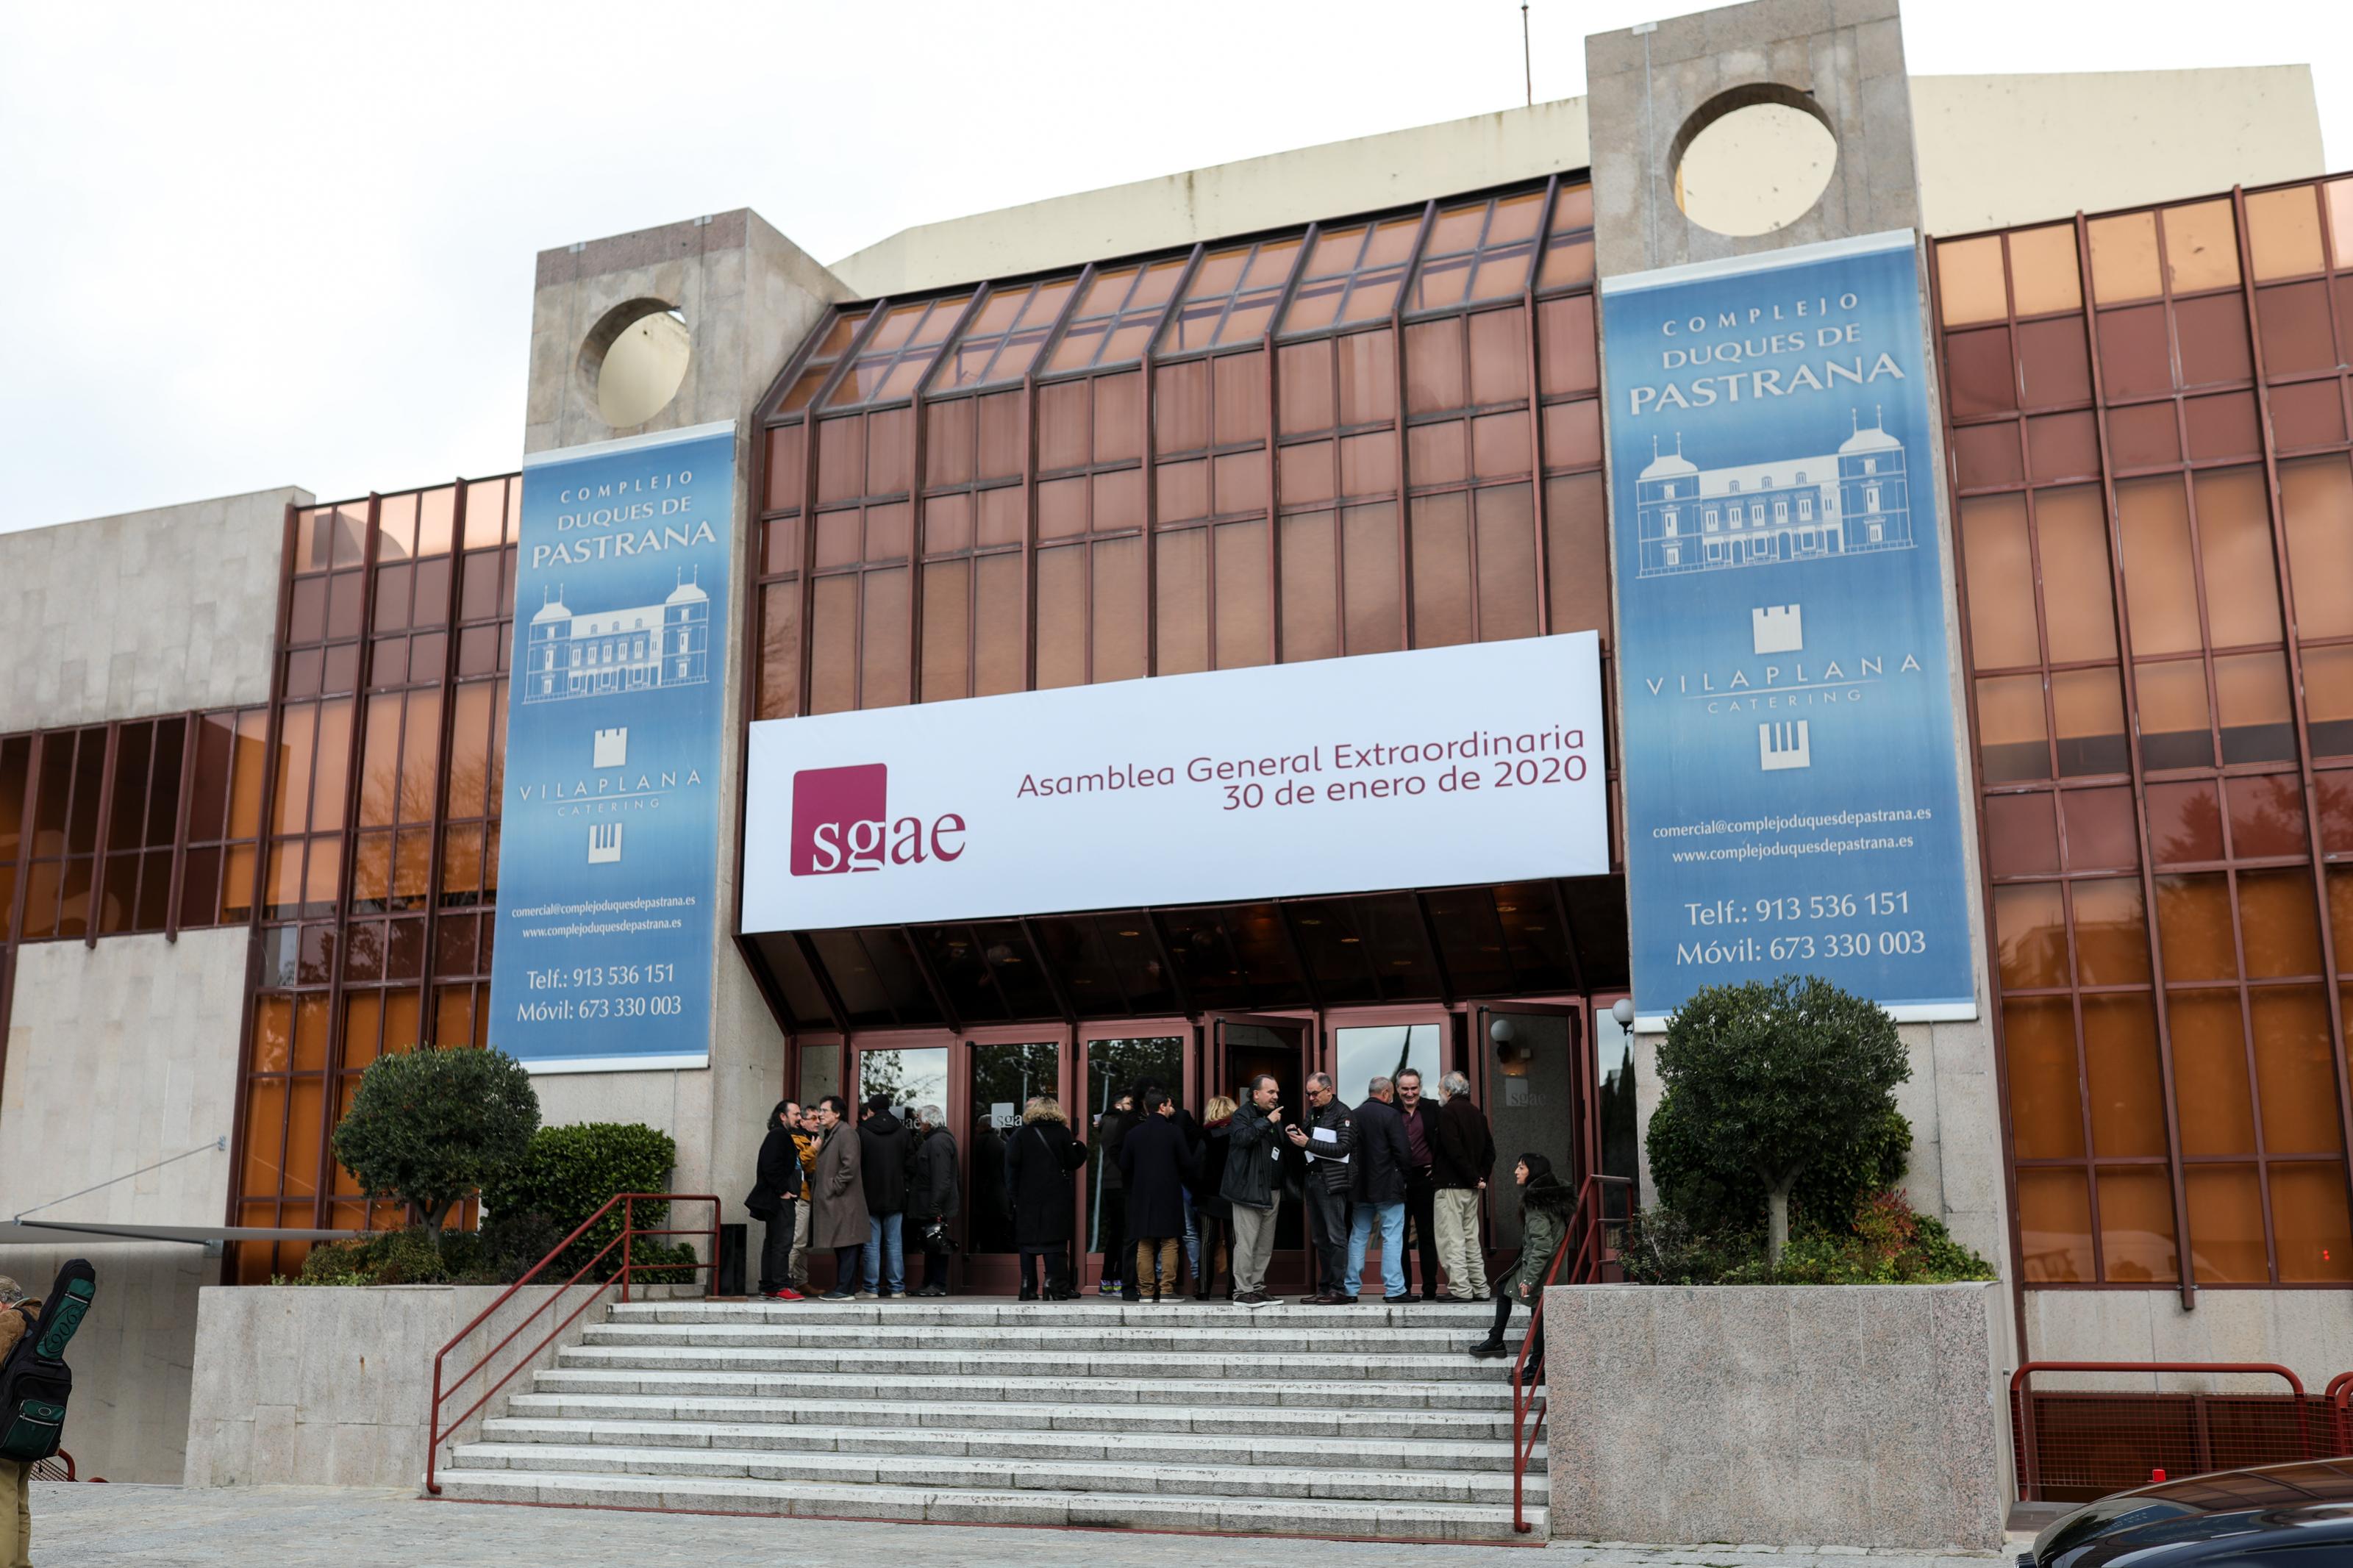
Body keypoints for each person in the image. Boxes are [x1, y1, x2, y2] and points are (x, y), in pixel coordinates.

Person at [1468, 1153, 1574, 1370]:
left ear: (1533, 1172)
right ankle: (1498, 1341)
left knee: (1537, 1311)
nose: (1516, 1171)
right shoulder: (1549, 1198)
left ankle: (1535, 1365)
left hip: (1544, 1267)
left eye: (1521, 1168)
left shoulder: (1536, 1204)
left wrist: (1529, 1279)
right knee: (1506, 1287)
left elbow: (1542, 1246)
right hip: (1550, 1264)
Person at [1007, 1095, 1088, 1300]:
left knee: (1027, 1243)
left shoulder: (1020, 1135)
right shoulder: (1062, 1133)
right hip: (1056, 1196)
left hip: (1027, 1196)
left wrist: (1015, 1197)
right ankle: (1053, 1283)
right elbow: (1072, 1162)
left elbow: (1011, 1168)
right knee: (1055, 1242)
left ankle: (1027, 1286)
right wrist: (1081, 1148)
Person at [1284, 1072, 1355, 1305]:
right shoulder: (1313, 1113)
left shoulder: (1342, 1112)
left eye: (1315, 1093)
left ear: (1329, 1090)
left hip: (1331, 1181)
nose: (1311, 1097)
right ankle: (1324, 1289)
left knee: (1336, 1236)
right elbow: (1307, 1143)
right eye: (1308, 1093)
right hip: (1312, 1179)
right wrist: (1297, 1135)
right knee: (1320, 1238)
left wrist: (1308, 1142)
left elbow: (1343, 1148)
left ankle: (1338, 1289)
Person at [1118, 1089, 1195, 1303]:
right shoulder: (1174, 1132)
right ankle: (1167, 1290)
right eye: (1170, 1105)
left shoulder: (1134, 1134)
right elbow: (1187, 1163)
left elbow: (1124, 1164)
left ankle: (1146, 1292)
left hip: (1141, 1193)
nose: (1172, 1109)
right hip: (1168, 1192)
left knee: (1145, 1243)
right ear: (1162, 1107)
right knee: (1169, 1242)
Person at [1344, 1075, 1413, 1304]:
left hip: (1360, 1187)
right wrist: (1405, 1176)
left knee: (1358, 1236)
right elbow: (1403, 1151)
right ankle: (1394, 1289)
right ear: (1385, 1093)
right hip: (1387, 1187)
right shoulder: (1391, 1114)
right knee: (1392, 1236)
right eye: (1391, 1094)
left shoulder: (1353, 1115)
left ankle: (1350, 1288)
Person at [1219, 1074, 1285, 1306]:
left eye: (1277, 1092)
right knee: (1246, 1243)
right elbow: (1242, 1138)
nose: (1276, 1096)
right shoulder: (1242, 1115)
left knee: (1264, 1245)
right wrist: (1267, 1122)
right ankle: (1243, 1291)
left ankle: (1258, 1288)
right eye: (1271, 1092)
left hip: (1272, 1191)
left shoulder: (1275, 1119)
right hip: (1248, 1191)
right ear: (1256, 1094)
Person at [1432, 1071, 1496, 1302]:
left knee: (1451, 1239)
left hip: (1451, 1186)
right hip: (1471, 1188)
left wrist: (1472, 1177)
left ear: (1448, 1091)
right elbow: (1490, 1151)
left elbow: (1453, 1150)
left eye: (1440, 1089)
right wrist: (1480, 1178)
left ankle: (1460, 1289)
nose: (1439, 1093)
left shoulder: (1448, 1112)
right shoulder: (1477, 1114)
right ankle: (1481, 1288)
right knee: (1470, 1238)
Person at [807, 1095, 868, 1301]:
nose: (820, 1114)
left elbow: (850, 1166)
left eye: (824, 1111)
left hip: (845, 1202)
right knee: (842, 1246)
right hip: (839, 1202)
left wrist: (833, 1187)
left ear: (837, 1113)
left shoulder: (846, 1134)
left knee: (848, 1246)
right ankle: (844, 1288)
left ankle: (845, 1290)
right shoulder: (834, 1133)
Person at [746, 1100, 805, 1301]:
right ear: (783, 1116)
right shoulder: (778, 1136)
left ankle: (770, 1286)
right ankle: (780, 1286)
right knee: (782, 1242)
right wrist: (784, 1191)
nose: (800, 1118)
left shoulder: (781, 1136)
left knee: (773, 1242)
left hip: (778, 1199)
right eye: (796, 1114)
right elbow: (770, 1166)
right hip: (780, 1200)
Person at [855, 1094, 912, 1300]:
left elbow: (856, 1163)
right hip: (895, 1195)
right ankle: (897, 1288)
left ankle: (871, 1288)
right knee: (895, 1243)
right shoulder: (903, 1131)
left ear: (871, 1109)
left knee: (872, 1244)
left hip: (869, 1195)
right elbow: (910, 1163)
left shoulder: (863, 1131)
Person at [1395, 1068, 1444, 1301]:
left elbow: (1446, 1141)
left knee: (1426, 1235)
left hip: (1426, 1180)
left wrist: (1439, 1166)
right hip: (1399, 1181)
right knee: (1400, 1237)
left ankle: (1430, 1287)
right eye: (1405, 1088)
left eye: (1413, 1088)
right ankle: (1404, 1287)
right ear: (1397, 1089)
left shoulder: (1433, 1109)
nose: (1410, 1093)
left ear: (1420, 1087)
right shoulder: (1391, 1111)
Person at [0, 1277, 38, 1567]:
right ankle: (20, 1563)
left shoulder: (10, 1321)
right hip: (29, 1425)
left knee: (2, 1502)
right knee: (18, 1502)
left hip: (5, 1422)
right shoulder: (40, 1321)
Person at [906, 1103, 960, 1297]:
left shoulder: (938, 1142)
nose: (919, 1125)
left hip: (935, 1205)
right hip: (931, 1203)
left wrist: (936, 1207)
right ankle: (929, 1283)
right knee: (930, 1244)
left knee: (936, 1243)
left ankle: (937, 1284)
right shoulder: (935, 1140)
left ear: (929, 1121)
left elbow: (942, 1177)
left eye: (920, 1121)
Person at [1189, 1095, 1237, 1300]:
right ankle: (1233, 1288)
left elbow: (1196, 1169)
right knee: (1234, 1242)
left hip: (1209, 1196)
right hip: (1232, 1195)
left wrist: (1196, 1192)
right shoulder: (1237, 1135)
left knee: (1208, 1241)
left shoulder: (1205, 1137)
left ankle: (1204, 1289)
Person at [1092, 1089, 1135, 1297]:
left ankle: (1107, 1279)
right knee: (1124, 1233)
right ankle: (1118, 1278)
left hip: (1111, 1183)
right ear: (1118, 1105)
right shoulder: (1117, 1123)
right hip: (1120, 1182)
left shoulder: (1106, 1122)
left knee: (1116, 1233)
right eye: (1129, 1104)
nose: (1132, 1108)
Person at [786, 1104, 819, 1292]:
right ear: (804, 1121)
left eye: (818, 1117)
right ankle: (785, 1281)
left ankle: (801, 1281)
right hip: (800, 1195)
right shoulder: (795, 1139)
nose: (817, 1122)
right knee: (797, 1241)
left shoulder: (813, 1139)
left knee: (804, 1244)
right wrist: (813, 1150)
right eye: (813, 1118)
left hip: (811, 1196)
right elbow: (796, 1164)